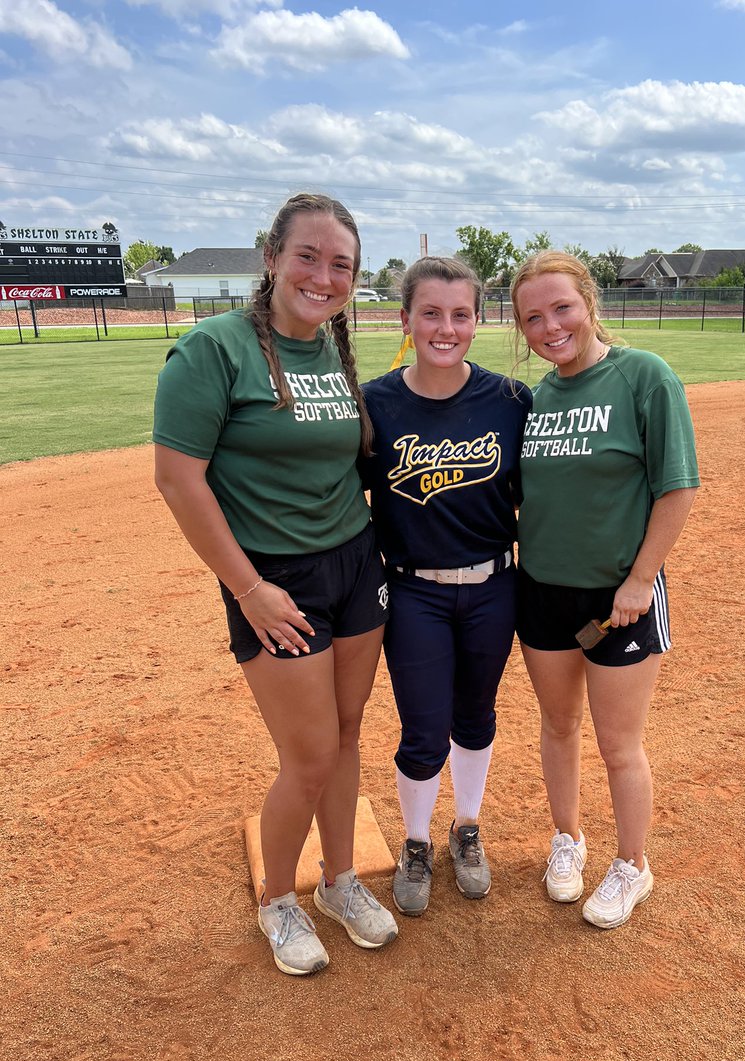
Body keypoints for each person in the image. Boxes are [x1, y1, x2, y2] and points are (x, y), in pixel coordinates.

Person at [153, 192, 397, 975]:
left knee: (348, 733)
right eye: (308, 257)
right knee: (310, 754)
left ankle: (339, 882)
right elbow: (178, 479)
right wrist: (248, 589)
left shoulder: (332, 351)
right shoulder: (213, 349)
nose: (324, 277)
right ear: (271, 257)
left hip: (355, 564)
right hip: (274, 580)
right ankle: (278, 901)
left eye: (341, 265)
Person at [510, 250, 699, 929]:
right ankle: (567, 839)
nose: (550, 327)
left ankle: (632, 865)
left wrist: (641, 579)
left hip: (620, 598)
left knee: (619, 744)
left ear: (589, 303)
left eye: (562, 307)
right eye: (533, 317)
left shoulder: (643, 376)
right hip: (542, 591)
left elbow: (677, 487)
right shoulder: (533, 400)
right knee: (558, 724)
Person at [361, 257, 532, 915]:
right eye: (430, 313)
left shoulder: (510, 400)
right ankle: (415, 841)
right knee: (423, 730)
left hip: (493, 585)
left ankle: (466, 828)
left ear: (478, 320)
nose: (446, 328)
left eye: (461, 314)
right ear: (404, 320)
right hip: (414, 593)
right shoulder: (375, 404)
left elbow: (541, 497)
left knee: (476, 716)